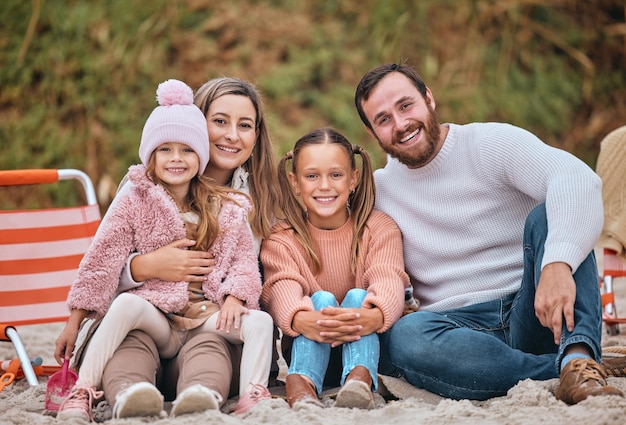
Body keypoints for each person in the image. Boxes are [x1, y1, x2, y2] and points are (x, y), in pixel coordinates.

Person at [353, 62, 625, 404]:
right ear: (373, 134)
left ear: (429, 98)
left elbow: (576, 179)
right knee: (405, 336)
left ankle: (577, 357)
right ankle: (570, 367)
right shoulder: (377, 191)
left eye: (406, 106)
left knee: (551, 214)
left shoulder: (490, 143)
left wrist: (557, 263)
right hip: (456, 330)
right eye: (383, 119)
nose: (401, 123)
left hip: (536, 306)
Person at [54, 79, 274, 421]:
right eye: (219, 121)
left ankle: (216, 397)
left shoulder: (243, 203)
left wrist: (237, 296)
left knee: (219, 345)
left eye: (244, 125)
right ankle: (108, 393)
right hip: (149, 322)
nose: (232, 135)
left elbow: (248, 265)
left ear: (256, 135)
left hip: (206, 326)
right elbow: (102, 260)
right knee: (130, 342)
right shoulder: (140, 192)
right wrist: (144, 267)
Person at [260, 128, 408, 409]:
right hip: (311, 344)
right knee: (322, 299)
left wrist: (372, 316)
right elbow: (282, 285)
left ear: (353, 179)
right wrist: (300, 318)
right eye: (312, 176)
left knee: (357, 296)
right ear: (295, 182)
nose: (324, 186)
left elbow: (388, 276)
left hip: (370, 345)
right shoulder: (282, 238)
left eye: (336, 175)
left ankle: (359, 379)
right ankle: (302, 380)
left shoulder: (378, 228)